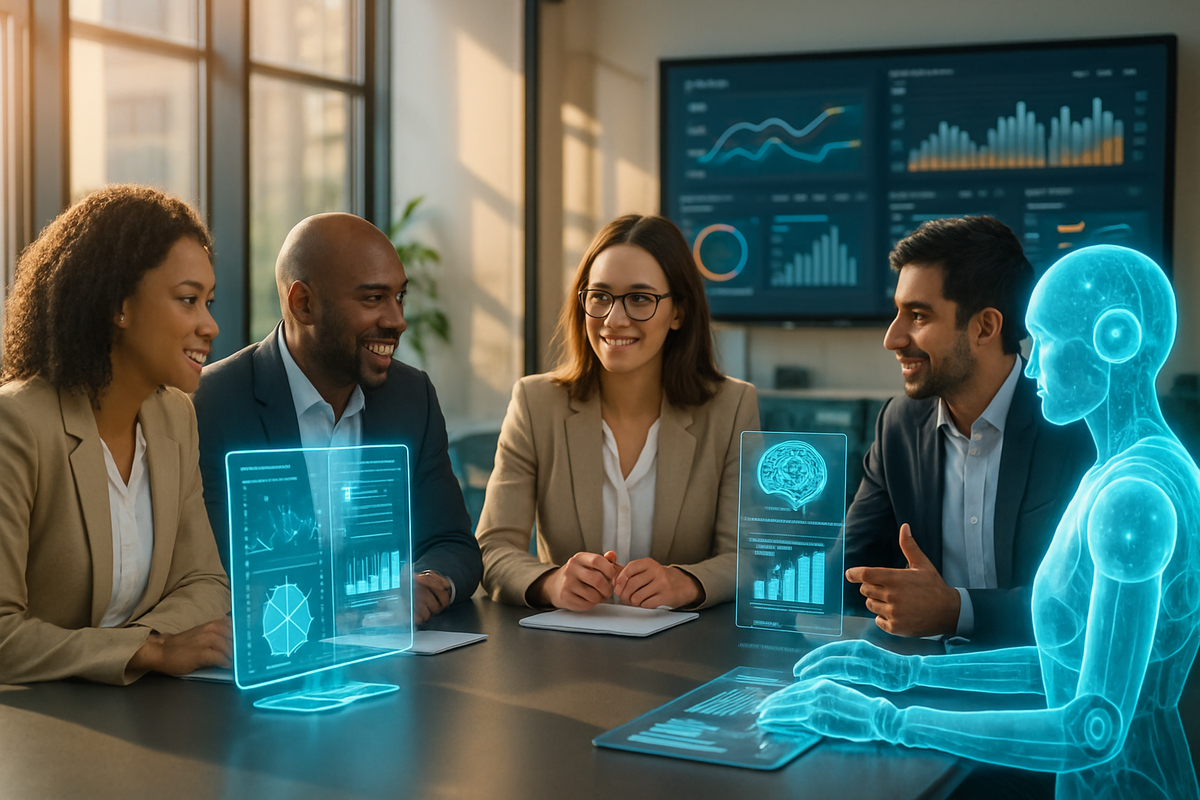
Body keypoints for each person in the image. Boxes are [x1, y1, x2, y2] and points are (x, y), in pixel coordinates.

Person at [760, 244, 1200, 800]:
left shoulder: (1132, 497)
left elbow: (1095, 727)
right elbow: (1065, 661)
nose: (1033, 363)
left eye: (1044, 342)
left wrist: (883, 720)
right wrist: (902, 675)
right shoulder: (1122, 472)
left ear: (1116, 339)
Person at [193, 213, 481, 625]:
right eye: (373, 298)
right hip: (268, 660)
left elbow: (452, 543)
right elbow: (214, 572)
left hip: (396, 664)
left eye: (399, 297)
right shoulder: (212, 403)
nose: (397, 321)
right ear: (303, 304)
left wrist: (424, 583)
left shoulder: (411, 397)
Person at [0, 185, 232, 685]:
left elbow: (206, 583)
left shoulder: (175, 417)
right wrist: (146, 651)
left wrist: (148, 647)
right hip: (31, 732)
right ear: (119, 306)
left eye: (209, 302)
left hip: (139, 714)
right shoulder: (17, 425)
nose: (210, 325)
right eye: (188, 300)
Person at [476, 214, 759, 610]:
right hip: (565, 650)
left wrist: (685, 582)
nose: (614, 319)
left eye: (640, 299)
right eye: (600, 296)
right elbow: (493, 547)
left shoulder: (732, 408)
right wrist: (550, 582)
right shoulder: (535, 403)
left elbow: (749, 558)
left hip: (687, 652)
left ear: (678, 312)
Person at [843, 216, 1093, 646]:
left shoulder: (1075, 428)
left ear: (985, 327)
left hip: (1048, 685)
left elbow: (1089, 600)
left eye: (918, 315)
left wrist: (955, 610)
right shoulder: (898, 425)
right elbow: (847, 569)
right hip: (928, 679)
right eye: (897, 313)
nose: (892, 338)